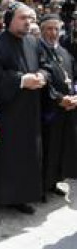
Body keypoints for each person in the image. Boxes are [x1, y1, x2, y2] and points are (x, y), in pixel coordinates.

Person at [0, 2, 51, 215]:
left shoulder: (34, 42)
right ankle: (5, 198)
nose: (28, 22)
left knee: (29, 153)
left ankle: (24, 196)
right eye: (23, 18)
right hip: (9, 113)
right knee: (10, 155)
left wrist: (42, 76)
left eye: (30, 18)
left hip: (31, 110)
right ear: (9, 20)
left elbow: (46, 65)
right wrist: (21, 80)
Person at [38, 14, 77, 197]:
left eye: (56, 29)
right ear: (42, 30)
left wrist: (75, 97)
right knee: (49, 148)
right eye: (49, 29)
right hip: (50, 110)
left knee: (62, 147)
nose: (53, 33)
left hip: (68, 109)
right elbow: (44, 82)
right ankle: (42, 186)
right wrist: (59, 99)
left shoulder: (64, 52)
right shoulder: (38, 51)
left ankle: (54, 181)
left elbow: (74, 77)